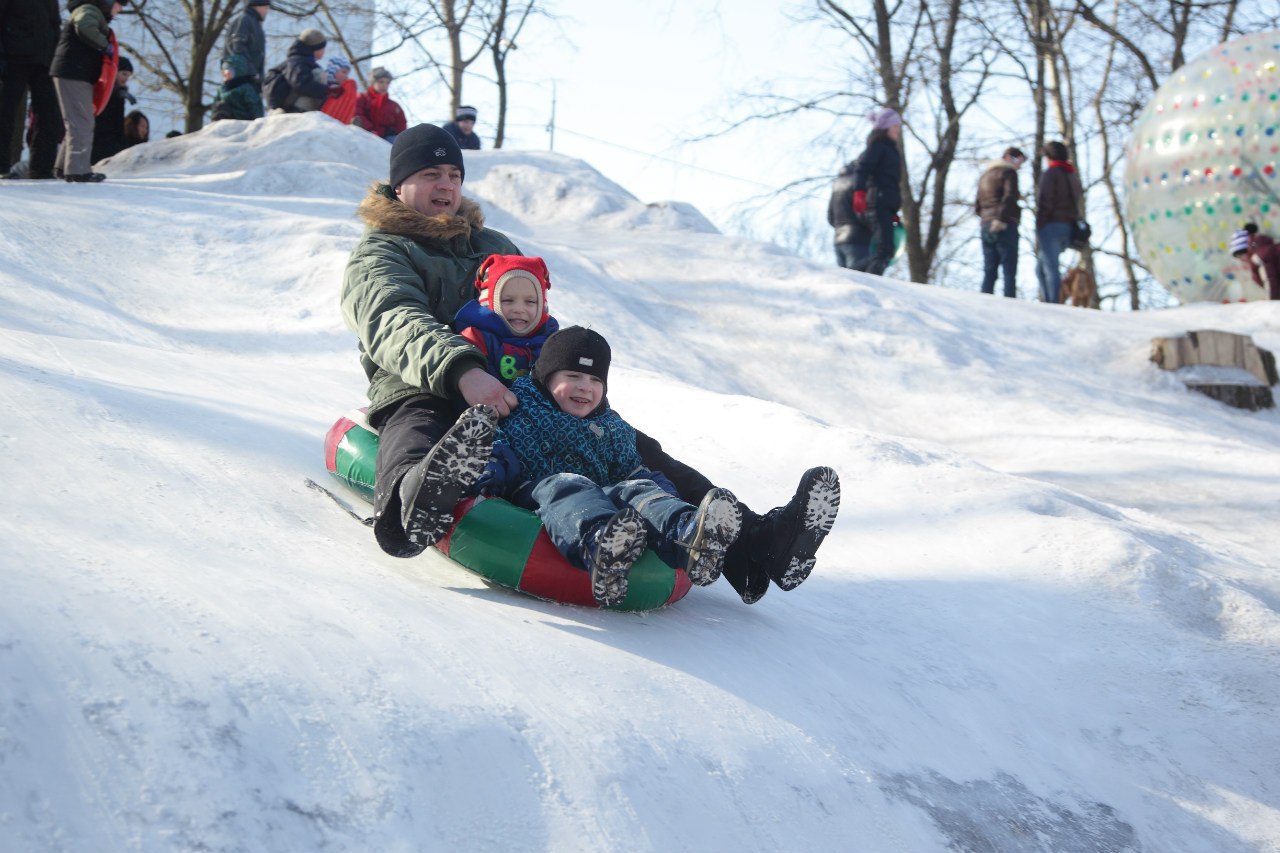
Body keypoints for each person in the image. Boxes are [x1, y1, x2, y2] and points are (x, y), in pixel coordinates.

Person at [340, 124, 842, 605]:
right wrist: (464, 371)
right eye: (431, 175)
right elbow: (393, 319)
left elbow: (532, 318)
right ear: (400, 182)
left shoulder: (492, 246)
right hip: (424, 384)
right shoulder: (380, 251)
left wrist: (568, 378)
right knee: (418, 424)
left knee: (631, 448)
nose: (445, 185)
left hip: (519, 391)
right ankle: (416, 498)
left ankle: (758, 541)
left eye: (453, 175)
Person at [480, 326, 744, 607]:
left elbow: (635, 471)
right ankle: (601, 545)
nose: (585, 386)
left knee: (636, 489)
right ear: (546, 377)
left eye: (595, 379)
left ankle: (686, 534)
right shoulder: (519, 407)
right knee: (569, 484)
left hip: (605, 496)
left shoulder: (610, 426)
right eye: (573, 376)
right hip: (538, 491)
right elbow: (497, 451)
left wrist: (662, 494)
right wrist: (487, 478)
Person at [453, 253, 560, 381]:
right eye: (508, 300)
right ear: (489, 303)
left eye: (530, 302)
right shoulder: (475, 339)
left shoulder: (553, 344)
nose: (519, 309)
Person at [50, 0, 123, 183]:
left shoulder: (91, 10)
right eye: (119, 4)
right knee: (82, 121)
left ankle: (63, 167)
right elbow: (84, 26)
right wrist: (104, 45)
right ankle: (77, 170)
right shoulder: (88, 10)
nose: (120, 9)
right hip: (74, 71)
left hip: (74, 71)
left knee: (77, 120)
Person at [0, 0, 62, 180]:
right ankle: (2, 166)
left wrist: (54, 52)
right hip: (13, 59)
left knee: (49, 115)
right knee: (5, 113)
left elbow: (54, 23)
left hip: (44, 61)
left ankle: (41, 169)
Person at [850, 107, 903, 276]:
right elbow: (862, 169)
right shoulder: (877, 147)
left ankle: (851, 274)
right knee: (884, 250)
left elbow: (891, 182)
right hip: (878, 201)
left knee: (886, 250)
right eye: (895, 126)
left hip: (885, 204)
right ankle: (859, 278)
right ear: (886, 127)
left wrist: (893, 210)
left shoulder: (890, 149)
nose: (898, 130)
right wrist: (859, 191)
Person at [1035, 140, 1083, 304]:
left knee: (1050, 269)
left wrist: (1040, 224)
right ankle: (1050, 300)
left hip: (1051, 226)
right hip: (1068, 228)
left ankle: (1053, 304)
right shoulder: (1072, 176)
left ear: (1049, 157)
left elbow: (1045, 201)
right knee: (1041, 269)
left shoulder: (1051, 174)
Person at [975, 146, 1026, 298]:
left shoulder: (985, 175)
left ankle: (984, 301)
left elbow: (977, 205)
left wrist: (986, 218)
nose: (1019, 166)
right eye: (1019, 162)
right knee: (1009, 270)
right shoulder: (1008, 172)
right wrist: (1001, 219)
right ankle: (1010, 303)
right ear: (1010, 158)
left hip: (986, 224)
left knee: (989, 269)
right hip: (1005, 224)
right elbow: (1009, 196)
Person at [263, 29, 328, 114]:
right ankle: (302, 110)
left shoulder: (299, 60)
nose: (324, 52)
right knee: (318, 74)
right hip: (289, 106)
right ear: (315, 48)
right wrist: (327, 91)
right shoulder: (297, 61)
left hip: (284, 102)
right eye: (322, 48)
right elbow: (301, 83)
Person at [90, 53, 133, 162]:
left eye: (129, 75)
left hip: (112, 141)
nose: (126, 78)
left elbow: (118, 124)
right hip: (98, 140)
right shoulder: (103, 89)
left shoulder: (121, 94)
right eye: (124, 74)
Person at [827, 159, 863, 269]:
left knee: (846, 281)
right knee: (860, 280)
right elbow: (862, 211)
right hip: (858, 238)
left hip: (838, 239)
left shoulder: (836, 185)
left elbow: (830, 217)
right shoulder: (858, 183)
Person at [223, 0, 269, 85]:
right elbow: (237, 47)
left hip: (251, 80)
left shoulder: (257, 26)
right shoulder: (244, 20)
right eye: (265, 7)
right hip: (240, 78)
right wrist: (251, 73)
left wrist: (260, 79)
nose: (267, 11)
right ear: (256, 6)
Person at [354, 67, 406, 142]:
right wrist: (370, 129)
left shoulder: (394, 106)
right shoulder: (362, 98)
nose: (384, 85)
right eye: (381, 82)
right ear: (373, 82)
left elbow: (401, 125)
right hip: (366, 135)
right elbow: (357, 114)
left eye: (387, 83)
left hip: (388, 138)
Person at [1231, 223, 1280, 300]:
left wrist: (1271, 303)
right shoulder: (1265, 249)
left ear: (1246, 251)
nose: (1241, 260)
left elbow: (1270, 280)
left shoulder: (1259, 257)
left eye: (1240, 255)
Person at [209, 53, 264, 122]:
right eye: (222, 69)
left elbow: (254, 107)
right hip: (225, 120)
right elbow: (215, 106)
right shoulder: (221, 90)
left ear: (237, 70)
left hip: (244, 121)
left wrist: (257, 121)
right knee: (220, 106)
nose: (224, 72)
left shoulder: (245, 88)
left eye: (227, 69)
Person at [320, 55, 357, 125]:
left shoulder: (342, 90)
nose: (346, 76)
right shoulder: (322, 84)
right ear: (333, 70)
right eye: (344, 72)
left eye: (347, 74)